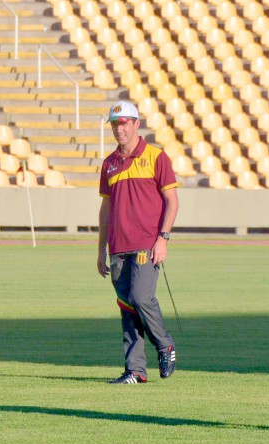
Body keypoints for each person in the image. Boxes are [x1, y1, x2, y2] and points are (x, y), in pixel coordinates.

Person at [97, 100, 179, 384]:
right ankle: (135, 371)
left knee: (142, 298)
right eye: (114, 124)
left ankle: (165, 344)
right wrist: (100, 250)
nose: (119, 130)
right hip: (117, 247)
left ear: (136, 123)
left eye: (123, 124)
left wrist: (163, 238)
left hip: (146, 243)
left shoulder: (157, 157)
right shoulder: (109, 163)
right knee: (127, 307)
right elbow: (106, 210)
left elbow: (172, 201)